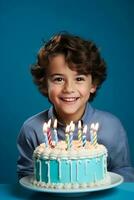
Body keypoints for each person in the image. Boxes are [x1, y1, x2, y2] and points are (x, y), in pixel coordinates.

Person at [17, 32, 134, 181]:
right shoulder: (32, 130)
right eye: (58, 79)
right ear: (45, 84)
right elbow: (26, 177)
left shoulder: (111, 127)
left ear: (93, 84)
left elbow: (124, 171)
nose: (69, 88)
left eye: (79, 78)